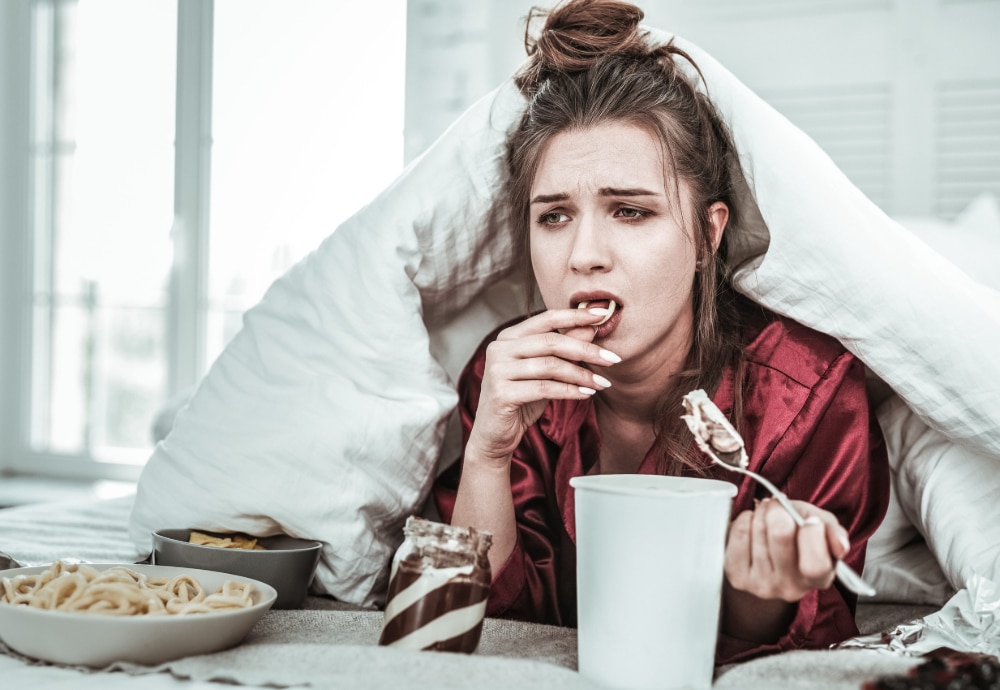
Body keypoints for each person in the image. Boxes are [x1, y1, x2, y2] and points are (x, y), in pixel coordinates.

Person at [433, 0, 889, 665]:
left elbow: (797, 637)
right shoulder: (509, 374)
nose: (584, 254)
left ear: (708, 234)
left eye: (630, 211)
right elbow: (480, 622)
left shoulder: (809, 395)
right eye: (554, 216)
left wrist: (763, 588)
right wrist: (487, 454)